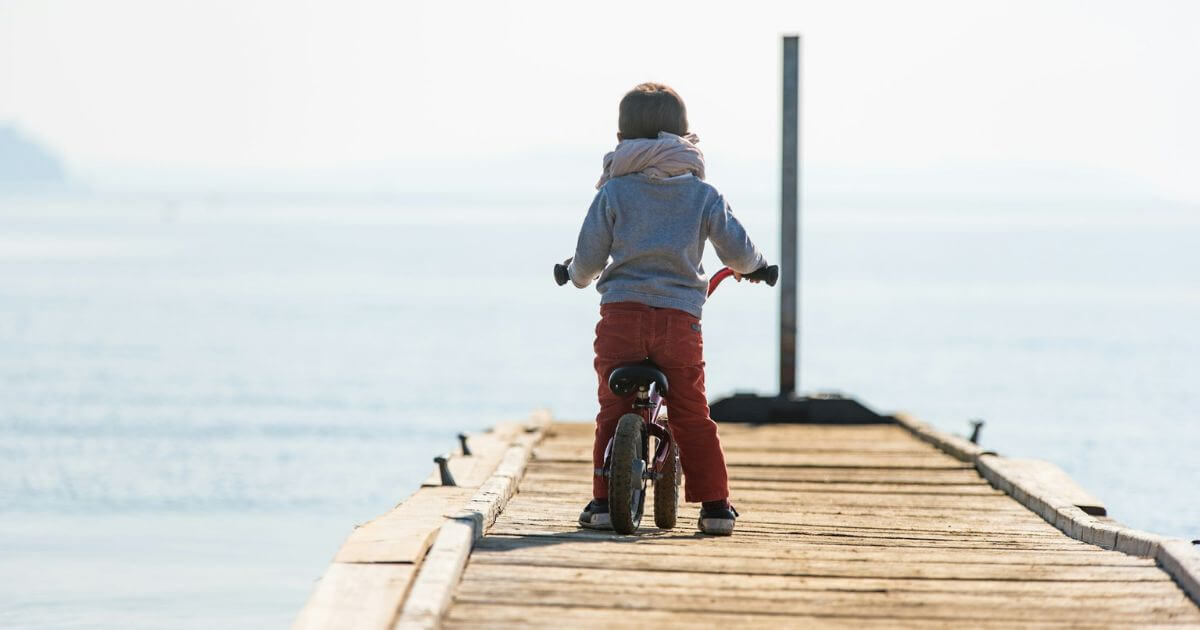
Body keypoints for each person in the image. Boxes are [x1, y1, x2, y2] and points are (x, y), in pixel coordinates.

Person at [565, 82, 768, 535]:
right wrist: (758, 267)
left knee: (612, 411)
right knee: (691, 412)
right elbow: (737, 252)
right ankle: (715, 507)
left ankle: (602, 503)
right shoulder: (703, 194)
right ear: (686, 138)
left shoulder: (613, 193)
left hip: (621, 319)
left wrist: (575, 277)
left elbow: (588, 260)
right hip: (679, 322)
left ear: (621, 141)